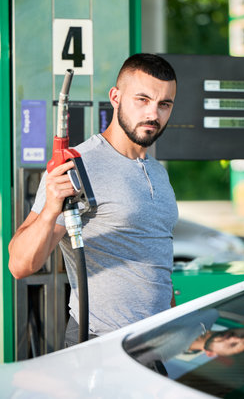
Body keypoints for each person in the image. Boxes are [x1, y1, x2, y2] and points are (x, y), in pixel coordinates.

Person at [8, 53, 178, 346]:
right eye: (142, 99)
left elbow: (156, 265)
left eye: (164, 104)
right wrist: (50, 210)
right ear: (115, 97)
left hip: (155, 339)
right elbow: (19, 265)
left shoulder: (158, 172)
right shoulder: (80, 164)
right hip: (101, 341)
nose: (153, 114)